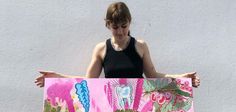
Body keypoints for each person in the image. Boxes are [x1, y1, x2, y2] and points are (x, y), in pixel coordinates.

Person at [35, 2, 200, 88]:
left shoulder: (140, 46)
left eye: (124, 26)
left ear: (129, 23)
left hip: (141, 110)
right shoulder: (101, 49)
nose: (120, 32)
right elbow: (88, 82)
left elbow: (153, 76)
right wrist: (56, 78)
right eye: (115, 27)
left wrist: (182, 78)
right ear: (108, 25)